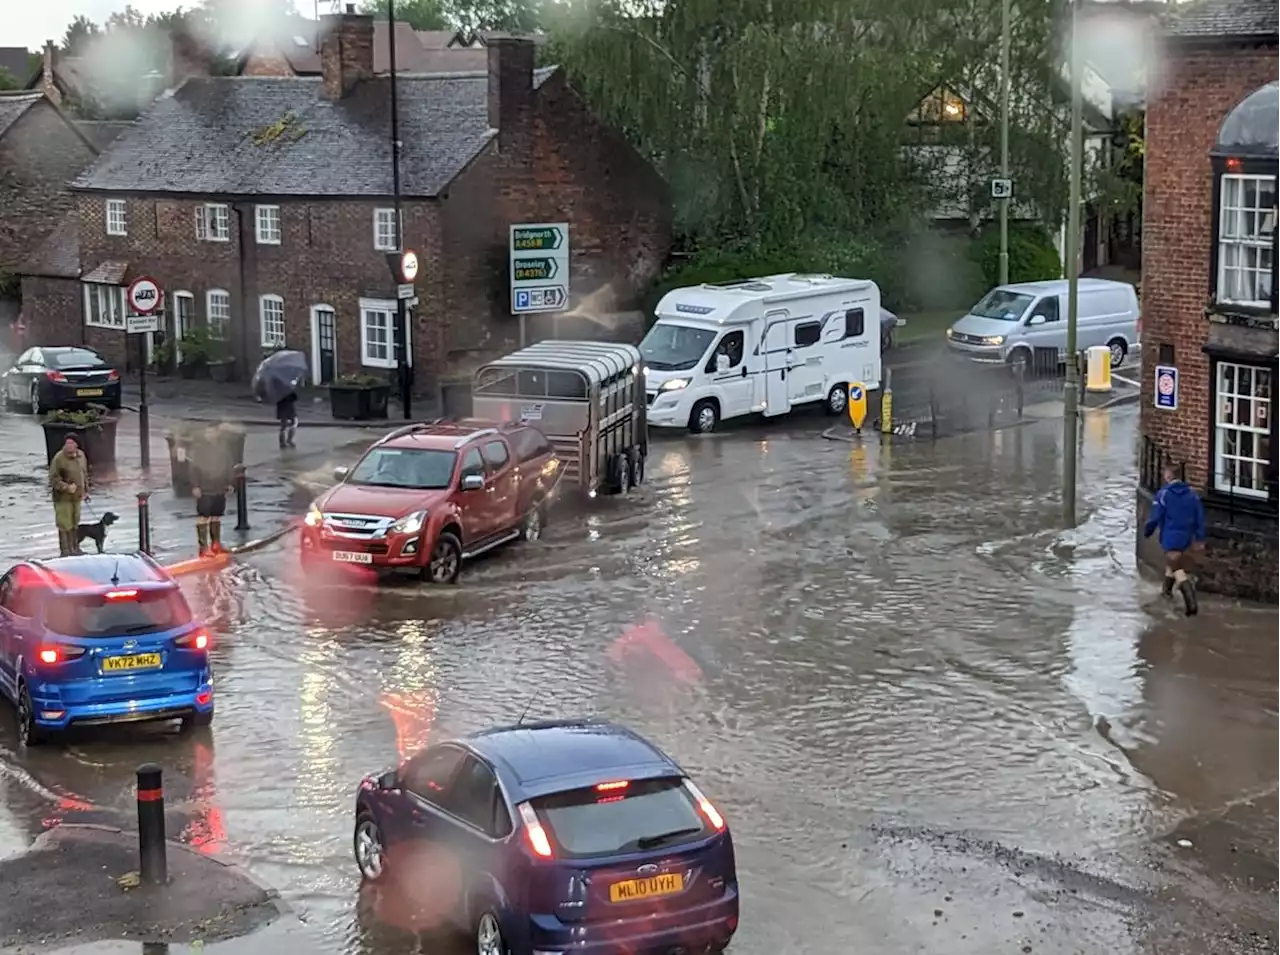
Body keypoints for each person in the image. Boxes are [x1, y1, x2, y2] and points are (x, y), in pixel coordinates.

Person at [1143, 465, 1206, 616]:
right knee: (1172, 563)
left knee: (1177, 567)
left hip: (1171, 536)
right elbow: (1200, 517)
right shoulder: (1192, 494)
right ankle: (1166, 593)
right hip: (1186, 536)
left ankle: (1191, 603)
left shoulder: (1163, 494)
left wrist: (1148, 530)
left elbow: (1155, 517)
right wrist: (1200, 537)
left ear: (1169, 476)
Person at [190, 423, 235, 557]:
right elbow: (193, 468)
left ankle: (216, 544)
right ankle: (203, 547)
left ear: (217, 433)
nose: (209, 435)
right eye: (207, 433)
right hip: (205, 487)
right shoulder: (199, 449)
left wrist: (229, 483)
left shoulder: (223, 448)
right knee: (203, 516)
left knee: (216, 515)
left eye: (212, 432)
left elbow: (228, 465)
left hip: (219, 486)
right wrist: (195, 485)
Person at [49, 434, 89, 557]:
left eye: (72, 443)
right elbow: (53, 479)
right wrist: (66, 487)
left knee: (75, 522)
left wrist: (85, 491)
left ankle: (75, 548)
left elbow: (84, 474)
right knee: (64, 523)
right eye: (67, 443)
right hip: (62, 498)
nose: (69, 446)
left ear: (77, 444)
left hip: (77, 497)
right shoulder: (59, 459)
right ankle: (65, 551)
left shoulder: (81, 456)